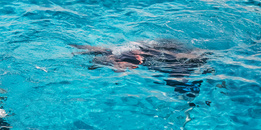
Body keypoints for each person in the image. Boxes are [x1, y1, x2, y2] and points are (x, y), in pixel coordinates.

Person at [71, 40, 211, 100]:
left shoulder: (178, 64)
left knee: (176, 83)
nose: (119, 70)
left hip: (180, 57)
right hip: (156, 52)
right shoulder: (144, 54)